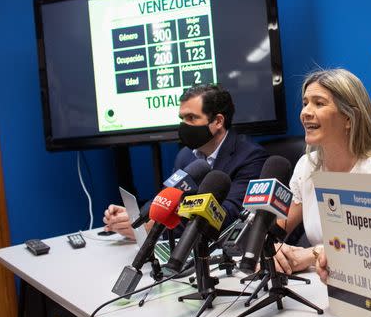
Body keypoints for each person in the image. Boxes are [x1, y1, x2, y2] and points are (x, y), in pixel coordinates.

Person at [275, 68, 371, 275]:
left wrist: (311, 254)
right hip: (319, 286)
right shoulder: (307, 165)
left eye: (319, 103)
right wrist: (273, 248)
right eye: (305, 103)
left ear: (349, 118)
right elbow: (277, 228)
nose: (305, 112)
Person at [104, 84, 268, 239]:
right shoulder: (185, 155)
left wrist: (154, 227)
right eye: (182, 118)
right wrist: (137, 217)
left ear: (218, 121)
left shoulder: (250, 157)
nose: (184, 126)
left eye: (191, 118)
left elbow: (228, 219)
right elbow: (166, 197)